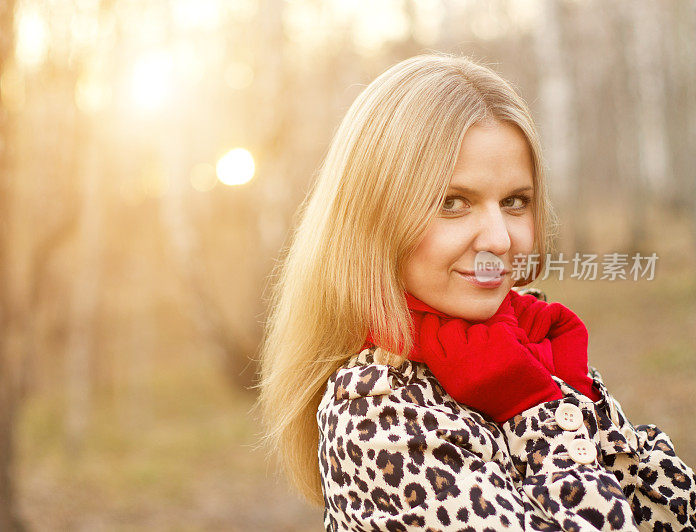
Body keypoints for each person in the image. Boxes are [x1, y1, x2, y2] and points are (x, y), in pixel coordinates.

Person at [253, 53, 696, 530]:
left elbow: (668, 514)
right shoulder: (377, 411)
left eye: (514, 202)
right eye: (453, 203)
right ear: (375, 218)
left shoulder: (531, 342)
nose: (500, 240)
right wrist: (538, 409)